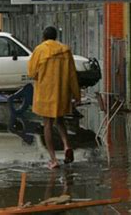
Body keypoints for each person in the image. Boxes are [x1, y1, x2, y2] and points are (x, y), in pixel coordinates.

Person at [28, 26, 80, 169]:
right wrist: (77, 95)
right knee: (60, 120)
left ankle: (53, 160)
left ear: (44, 37)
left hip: (45, 93)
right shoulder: (66, 50)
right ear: (56, 37)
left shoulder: (39, 50)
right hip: (61, 93)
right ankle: (66, 145)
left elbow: (32, 73)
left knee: (48, 125)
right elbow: (72, 75)